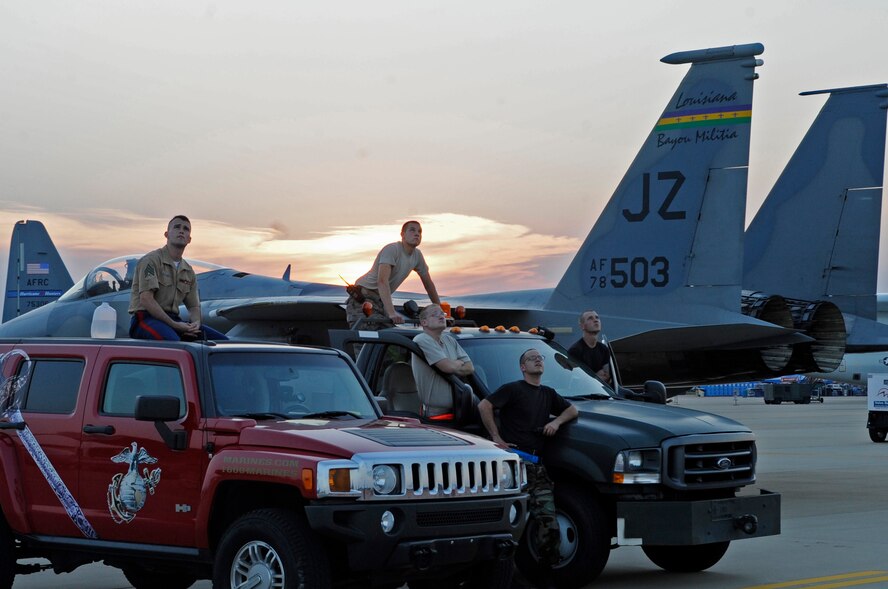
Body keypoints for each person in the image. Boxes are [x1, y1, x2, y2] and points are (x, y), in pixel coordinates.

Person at [477, 349, 578, 571]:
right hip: (513, 465)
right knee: (508, 525)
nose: (537, 360)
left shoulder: (548, 393)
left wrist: (556, 423)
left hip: (537, 467)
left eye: (540, 358)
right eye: (531, 358)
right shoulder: (512, 389)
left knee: (548, 522)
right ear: (523, 367)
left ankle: (545, 574)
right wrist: (496, 437)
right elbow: (484, 405)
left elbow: (572, 410)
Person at [128, 215, 228, 341]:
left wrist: (195, 324)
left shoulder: (188, 271)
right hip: (146, 319)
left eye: (186, 229)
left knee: (222, 342)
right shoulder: (150, 262)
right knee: (175, 344)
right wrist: (175, 326)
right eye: (176, 227)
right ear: (166, 234)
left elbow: (193, 307)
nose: (181, 231)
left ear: (189, 239)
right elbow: (146, 299)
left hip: (173, 320)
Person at [346, 220, 441, 328]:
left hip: (381, 302)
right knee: (368, 337)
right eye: (412, 230)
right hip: (363, 299)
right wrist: (391, 313)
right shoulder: (392, 249)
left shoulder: (417, 256)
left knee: (393, 336)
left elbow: (429, 285)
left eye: (419, 231)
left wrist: (440, 311)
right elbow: (382, 281)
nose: (417, 234)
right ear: (403, 235)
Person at [411, 304, 474, 421]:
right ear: (424, 323)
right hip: (435, 415)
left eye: (442, 314)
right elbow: (447, 368)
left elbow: (470, 367)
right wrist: (458, 363)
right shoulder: (422, 339)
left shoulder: (449, 339)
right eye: (435, 315)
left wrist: (452, 365)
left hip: (459, 409)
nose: (441, 317)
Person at [568, 310, 612, 384]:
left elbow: (607, 376)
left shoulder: (604, 349)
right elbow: (575, 380)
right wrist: (596, 377)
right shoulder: (575, 351)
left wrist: (590, 376)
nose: (595, 320)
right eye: (590, 318)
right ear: (582, 326)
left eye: (597, 317)